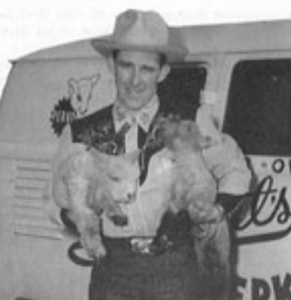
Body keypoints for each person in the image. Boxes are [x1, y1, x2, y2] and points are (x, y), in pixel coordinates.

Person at [54, 9, 252, 300]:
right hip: (112, 273)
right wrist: (82, 214)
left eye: (146, 69)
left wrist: (216, 210)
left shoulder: (190, 120)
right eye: (126, 66)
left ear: (163, 71)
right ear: (111, 65)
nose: (135, 80)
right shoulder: (81, 131)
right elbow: (55, 202)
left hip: (176, 272)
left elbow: (236, 171)